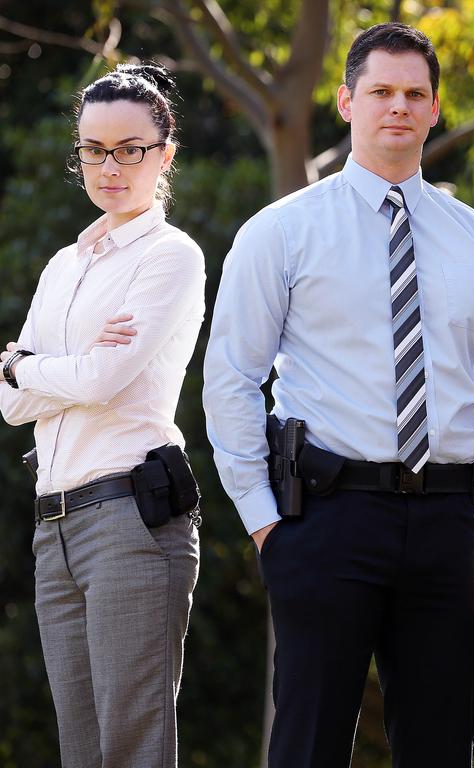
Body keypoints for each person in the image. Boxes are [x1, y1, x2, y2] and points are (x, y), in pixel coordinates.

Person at [202, 22, 474, 768]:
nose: (398, 106)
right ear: (345, 101)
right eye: (381, 91)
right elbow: (232, 377)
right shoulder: (282, 233)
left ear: (434, 110)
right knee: (307, 746)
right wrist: (267, 528)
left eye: (415, 94)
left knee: (438, 749)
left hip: (448, 525)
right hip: (326, 522)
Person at [0, 64, 205, 768]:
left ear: (165, 153)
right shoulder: (63, 265)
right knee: (82, 754)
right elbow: (10, 401)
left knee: (131, 750)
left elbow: (99, 378)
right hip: (53, 526)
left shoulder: (170, 257)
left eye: (130, 148)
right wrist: (43, 372)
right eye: (93, 148)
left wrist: (26, 364)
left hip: (129, 521)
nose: (108, 165)